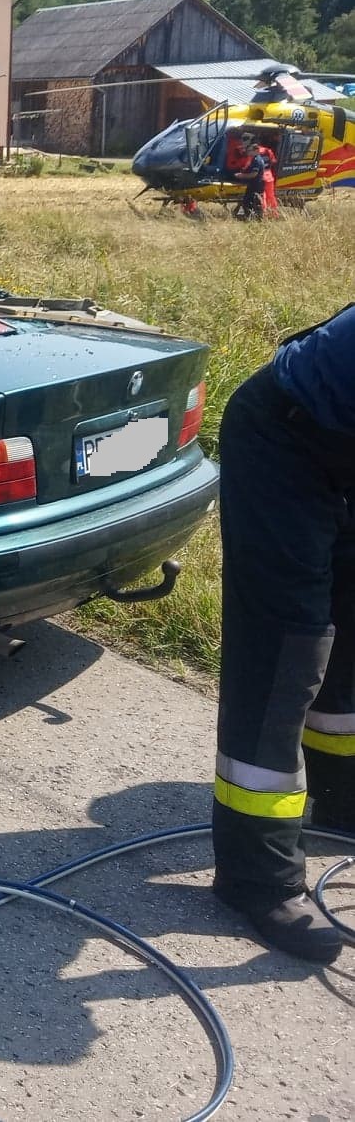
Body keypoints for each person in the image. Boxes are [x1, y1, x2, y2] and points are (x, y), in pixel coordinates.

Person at [212, 303, 355, 962]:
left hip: (343, 441)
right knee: (288, 653)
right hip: (284, 441)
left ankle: (339, 804)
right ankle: (257, 878)